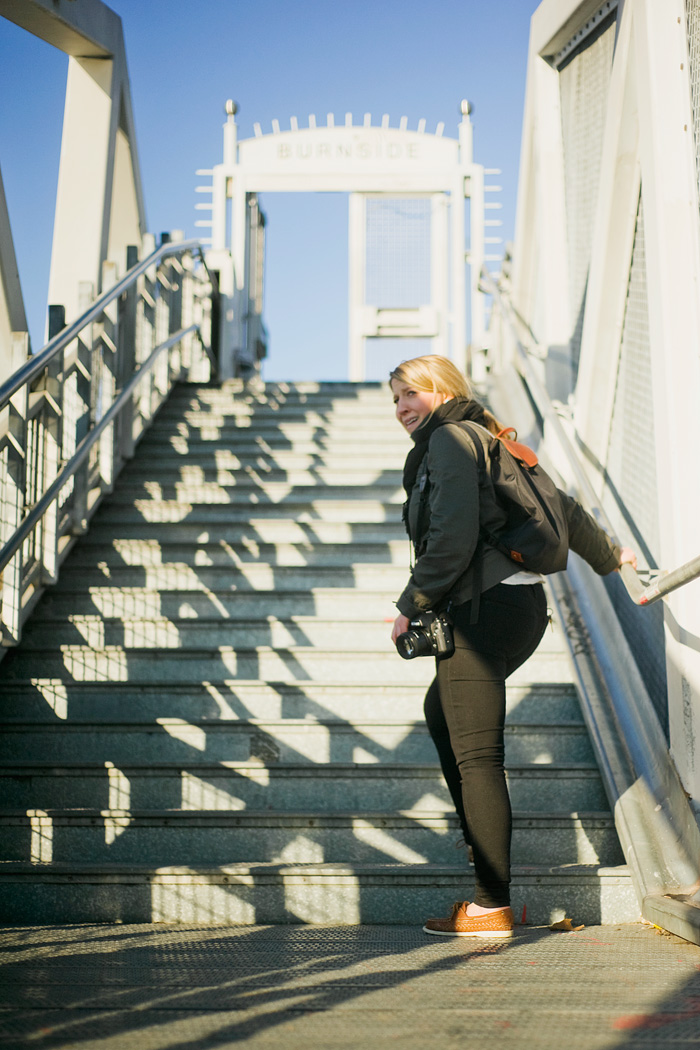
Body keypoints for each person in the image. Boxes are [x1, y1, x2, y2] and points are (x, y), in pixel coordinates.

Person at [389, 354, 637, 938]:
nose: (401, 408)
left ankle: (490, 903)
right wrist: (610, 558)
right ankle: (482, 843)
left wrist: (410, 606)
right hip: (521, 610)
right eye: (394, 399)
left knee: (477, 757)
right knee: (440, 715)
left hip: (482, 610)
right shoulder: (494, 440)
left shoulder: (449, 439)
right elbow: (565, 509)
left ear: (443, 391)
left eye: (410, 394)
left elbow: (449, 538)